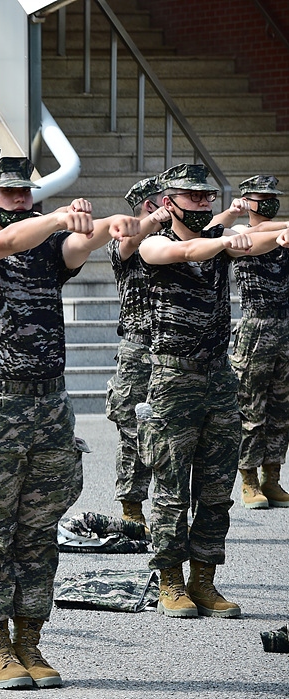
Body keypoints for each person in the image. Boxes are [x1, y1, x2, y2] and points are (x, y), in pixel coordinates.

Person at [0, 157, 138, 688]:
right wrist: (56, 218)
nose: (21, 199)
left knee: (40, 527)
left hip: (50, 404)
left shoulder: (49, 246)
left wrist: (116, 225)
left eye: (26, 192)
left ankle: (30, 639)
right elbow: (3, 245)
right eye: (9, 194)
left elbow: (81, 244)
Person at [137, 164, 287, 620]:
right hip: (172, 379)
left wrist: (268, 234)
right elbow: (182, 253)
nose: (202, 204)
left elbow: (262, 236)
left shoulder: (222, 244)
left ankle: (204, 579)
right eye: (192, 197)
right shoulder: (154, 244)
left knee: (217, 487)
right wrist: (225, 238)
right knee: (169, 488)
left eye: (207, 198)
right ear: (169, 203)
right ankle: (169, 581)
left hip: (218, 378)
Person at [106, 177, 173, 530]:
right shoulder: (123, 243)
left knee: (174, 432)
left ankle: (169, 514)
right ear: (153, 205)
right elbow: (129, 242)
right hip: (138, 350)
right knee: (133, 434)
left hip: (174, 349)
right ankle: (132, 510)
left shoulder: (172, 241)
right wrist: (159, 218)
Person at [229, 175, 289, 509]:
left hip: (285, 327)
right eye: (259, 197)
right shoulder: (239, 233)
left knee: (281, 409)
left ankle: (273, 477)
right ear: (246, 202)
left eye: (272, 197)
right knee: (252, 408)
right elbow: (252, 238)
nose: (267, 202)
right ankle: (248, 480)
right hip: (255, 330)